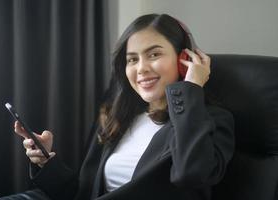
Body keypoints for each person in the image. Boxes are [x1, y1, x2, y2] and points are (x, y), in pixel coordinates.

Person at [13, 13, 235, 200]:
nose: (141, 68)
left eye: (154, 54)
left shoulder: (211, 120)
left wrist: (191, 89)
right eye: (132, 59)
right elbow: (82, 193)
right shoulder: (119, 117)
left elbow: (191, 174)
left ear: (184, 59)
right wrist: (46, 161)